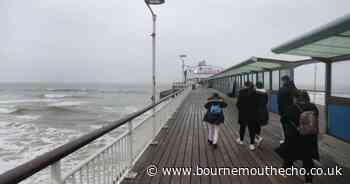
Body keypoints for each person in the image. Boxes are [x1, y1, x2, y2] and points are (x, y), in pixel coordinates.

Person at [276, 90, 319, 184]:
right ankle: (309, 181)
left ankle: (285, 172)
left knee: (290, 154)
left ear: (296, 98)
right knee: (308, 159)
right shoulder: (313, 106)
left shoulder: (293, 108)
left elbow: (283, 120)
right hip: (310, 136)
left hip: (296, 136)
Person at [236, 81, 260, 150]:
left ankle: (241, 140)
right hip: (252, 115)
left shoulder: (241, 92)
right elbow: (257, 105)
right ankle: (252, 144)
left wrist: (241, 110)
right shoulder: (256, 93)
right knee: (252, 129)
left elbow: (238, 104)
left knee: (242, 127)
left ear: (245, 85)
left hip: (243, 114)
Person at [278, 75, 296, 144]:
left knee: (284, 126)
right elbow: (296, 95)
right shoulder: (292, 87)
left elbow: (279, 102)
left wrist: (280, 112)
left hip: (283, 111)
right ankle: (291, 140)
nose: (281, 82)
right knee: (291, 125)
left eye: (282, 80)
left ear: (284, 80)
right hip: (291, 110)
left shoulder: (282, 89)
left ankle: (286, 140)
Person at [255, 81, 269, 147]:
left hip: (256, 111)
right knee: (259, 125)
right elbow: (266, 102)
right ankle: (257, 139)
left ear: (257, 86)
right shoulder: (265, 92)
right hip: (263, 111)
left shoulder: (255, 93)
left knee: (254, 125)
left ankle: (258, 138)